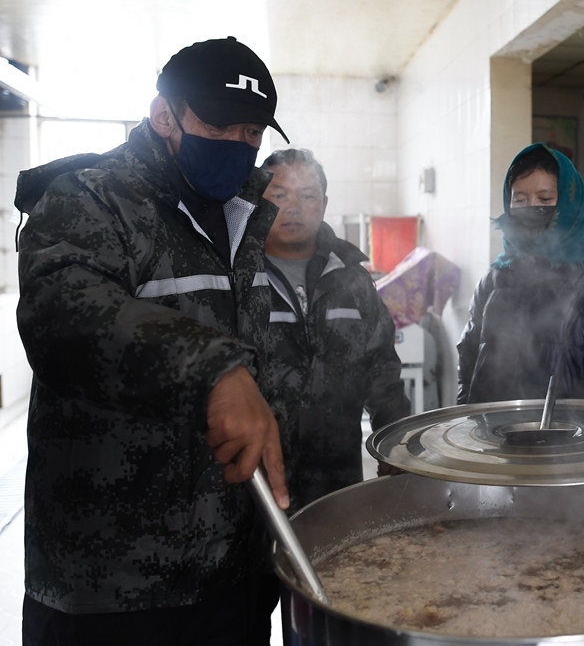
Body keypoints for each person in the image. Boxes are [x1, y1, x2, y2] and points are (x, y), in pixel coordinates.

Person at [16, 37, 291, 646]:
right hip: (116, 583)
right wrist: (213, 368)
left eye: (252, 132)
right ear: (164, 115)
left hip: (230, 570)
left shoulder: (243, 215)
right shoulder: (89, 198)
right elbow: (61, 315)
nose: (238, 144)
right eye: (219, 125)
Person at [258, 148, 410, 644]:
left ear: (325, 203)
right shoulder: (236, 273)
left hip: (335, 480)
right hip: (251, 488)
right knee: (248, 610)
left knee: (330, 608)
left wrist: (397, 450)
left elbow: (382, 369)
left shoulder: (351, 277)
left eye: (307, 196)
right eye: (279, 195)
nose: (293, 208)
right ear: (256, 199)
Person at [457, 143, 584, 404]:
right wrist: (466, 417)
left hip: (576, 429)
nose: (531, 209)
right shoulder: (496, 277)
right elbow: (469, 354)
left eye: (545, 200)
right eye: (520, 200)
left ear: (569, 203)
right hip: (493, 427)